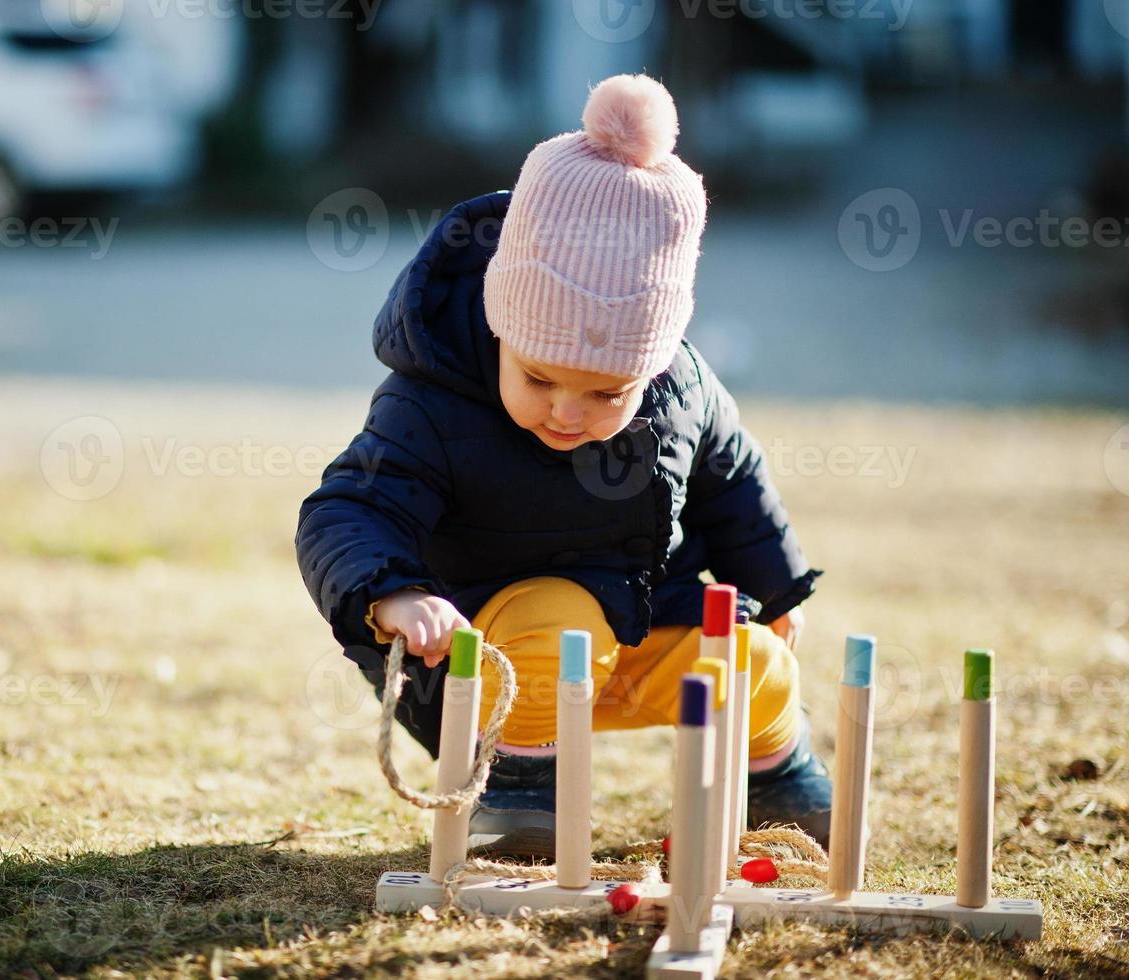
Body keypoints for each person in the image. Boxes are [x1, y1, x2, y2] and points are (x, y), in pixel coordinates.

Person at [297, 73, 832, 856]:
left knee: (750, 656)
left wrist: (775, 585)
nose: (566, 411)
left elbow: (733, 478)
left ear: (649, 367)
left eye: (605, 392)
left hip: (646, 628)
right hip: (494, 661)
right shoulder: (431, 404)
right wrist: (393, 594)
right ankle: (520, 792)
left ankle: (777, 781)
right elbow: (347, 509)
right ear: (499, 324)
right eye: (539, 377)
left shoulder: (681, 388)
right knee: (557, 620)